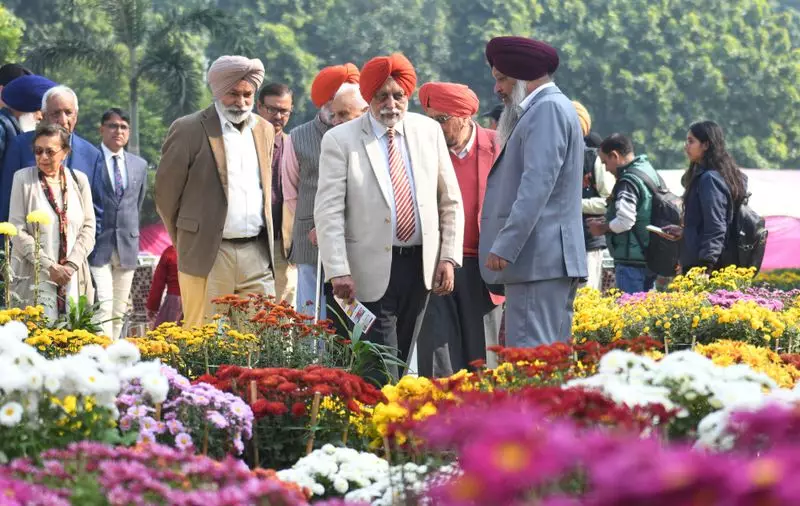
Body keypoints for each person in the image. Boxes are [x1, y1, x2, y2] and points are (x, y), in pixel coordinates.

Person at [314, 53, 464, 383]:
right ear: (369, 97)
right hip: (366, 271)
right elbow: (328, 210)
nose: (391, 103)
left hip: (419, 268)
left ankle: (389, 428)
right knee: (379, 366)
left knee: (401, 356)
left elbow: (450, 200)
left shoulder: (428, 131)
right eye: (382, 95)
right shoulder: (341, 140)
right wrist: (338, 269)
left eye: (399, 95)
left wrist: (448, 258)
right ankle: (378, 429)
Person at [480, 36, 587, 348]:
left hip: (537, 261)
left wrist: (506, 244)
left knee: (531, 360)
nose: (497, 89)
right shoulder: (552, 108)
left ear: (522, 76)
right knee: (549, 362)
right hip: (545, 261)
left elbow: (536, 186)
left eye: (502, 79)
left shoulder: (547, 110)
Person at [155, 55, 275, 328]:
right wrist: (187, 240)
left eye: (247, 94)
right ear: (218, 91)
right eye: (233, 94)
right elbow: (165, 196)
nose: (241, 102)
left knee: (261, 338)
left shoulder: (265, 130)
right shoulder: (188, 129)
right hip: (209, 253)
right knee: (205, 341)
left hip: (256, 252)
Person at [415, 81, 504, 377]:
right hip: (437, 266)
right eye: (429, 120)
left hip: (487, 267)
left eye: (441, 120)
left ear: (466, 117)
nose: (434, 127)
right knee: (437, 360)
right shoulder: (422, 151)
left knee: (485, 361)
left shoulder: (499, 146)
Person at [282, 63, 360, 320]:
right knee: (311, 312)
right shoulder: (298, 137)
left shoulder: (363, 136)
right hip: (310, 237)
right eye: (333, 104)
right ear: (323, 103)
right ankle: (311, 361)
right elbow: (291, 192)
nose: (337, 112)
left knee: (350, 310)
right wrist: (323, 225)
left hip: (357, 238)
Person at [8, 123, 95, 320]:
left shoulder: (78, 180)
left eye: (50, 151)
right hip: (36, 275)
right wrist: (50, 267)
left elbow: (89, 228)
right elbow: (17, 230)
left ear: (65, 152)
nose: (43, 157)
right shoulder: (22, 179)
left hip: (72, 277)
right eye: (38, 151)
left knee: (72, 339)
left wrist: (71, 265)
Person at [1, 85, 100, 223]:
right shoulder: (20, 146)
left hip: (75, 242)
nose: (63, 120)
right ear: (44, 115)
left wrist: (85, 244)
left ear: (76, 116)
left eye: (68, 112)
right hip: (29, 239)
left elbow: (95, 212)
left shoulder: (91, 155)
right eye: (56, 113)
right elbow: (6, 200)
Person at [89, 108, 148, 339]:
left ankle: (111, 358)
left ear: (129, 132)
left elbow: (137, 203)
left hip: (127, 244)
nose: (118, 131)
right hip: (97, 245)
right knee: (102, 305)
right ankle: (100, 355)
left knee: (119, 310)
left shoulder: (139, 165)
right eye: (113, 126)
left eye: (123, 127)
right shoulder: (91, 159)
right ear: (102, 129)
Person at [661, 121, 747, 273]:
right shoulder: (711, 176)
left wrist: (706, 266)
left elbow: (716, 225)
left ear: (706, 145)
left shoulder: (710, 179)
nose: (685, 145)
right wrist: (685, 232)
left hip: (706, 266)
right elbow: (705, 223)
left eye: (691, 141)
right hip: (705, 261)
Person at [587, 134, 659, 294]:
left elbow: (625, 221)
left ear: (615, 156)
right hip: (649, 257)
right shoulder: (648, 171)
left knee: (632, 316)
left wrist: (602, 228)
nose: (606, 168)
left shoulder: (628, 181)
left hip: (631, 263)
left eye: (606, 162)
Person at [256, 82, 297, 307]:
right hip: (250, 241)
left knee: (283, 312)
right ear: (259, 107)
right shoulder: (243, 143)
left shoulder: (294, 145)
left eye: (284, 111)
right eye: (272, 109)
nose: (278, 116)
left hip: (283, 243)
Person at [574, 100, 615, 292]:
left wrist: (575, 205)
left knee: (585, 298)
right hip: (554, 245)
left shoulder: (593, 159)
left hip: (587, 242)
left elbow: (609, 202)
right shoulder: (548, 157)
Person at [146, 245, 182, 329]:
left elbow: (158, 283)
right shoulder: (201, 251)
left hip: (174, 303)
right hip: (197, 300)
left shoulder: (171, 251)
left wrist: (152, 307)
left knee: (167, 337)